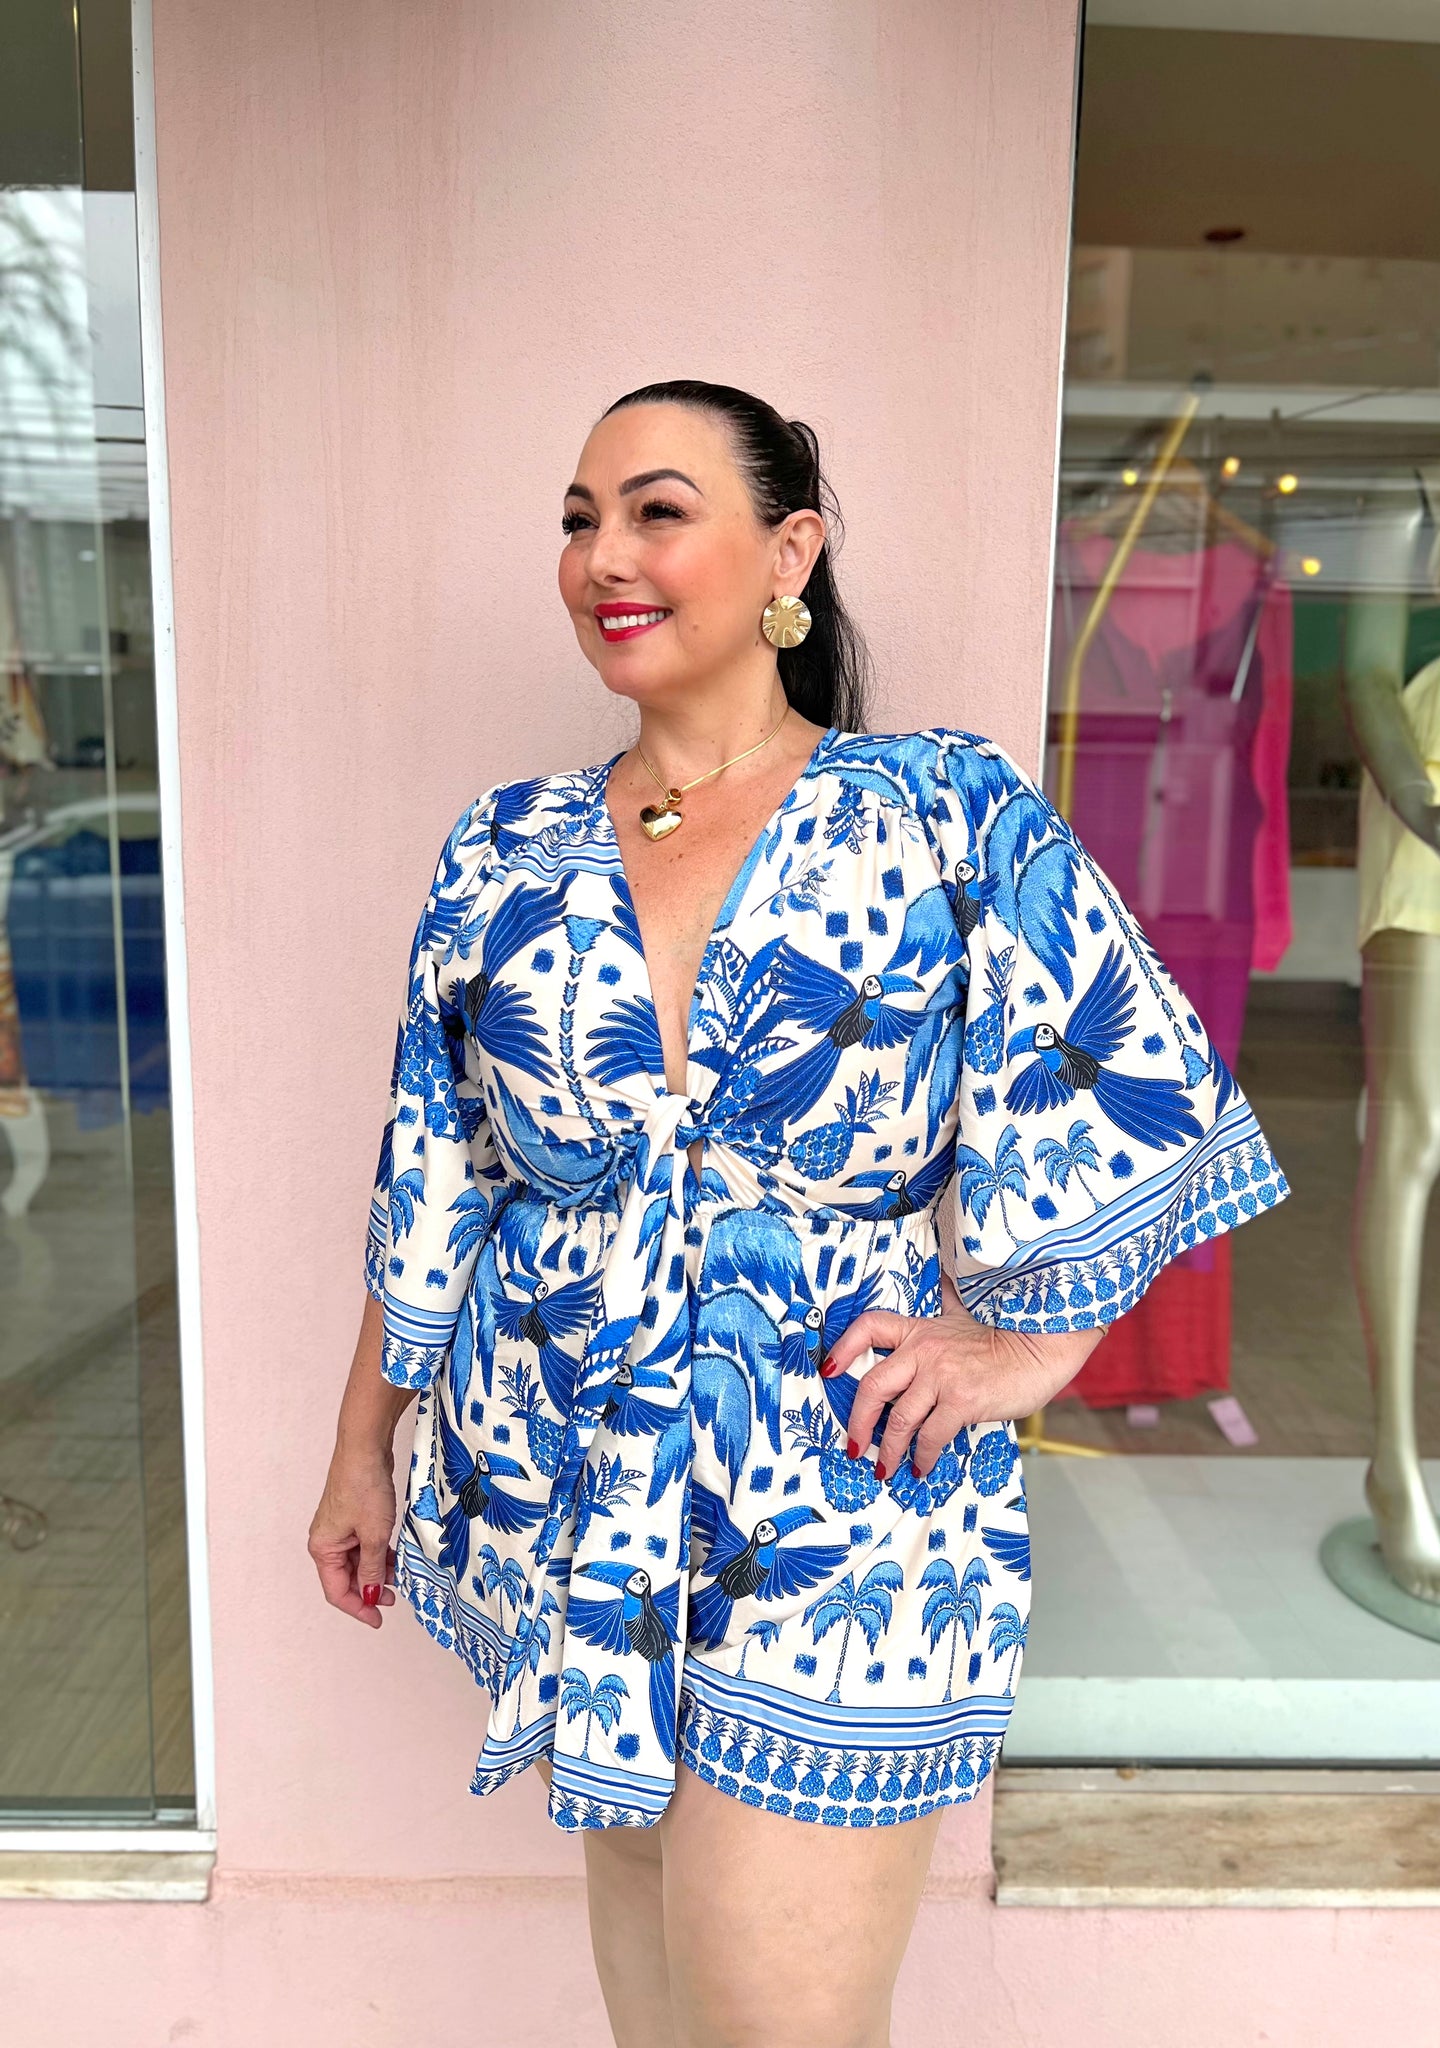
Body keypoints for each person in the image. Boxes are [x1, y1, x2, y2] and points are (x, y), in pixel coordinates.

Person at [309, 380, 1288, 2046]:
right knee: (658, 2003)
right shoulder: (503, 848)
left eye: (657, 511)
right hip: (561, 1474)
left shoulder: (937, 806)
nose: (604, 557)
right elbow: (437, 1174)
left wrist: (1025, 1352)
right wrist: (359, 1451)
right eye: (578, 520)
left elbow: (1133, 1078)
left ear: (791, 552)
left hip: (837, 1501)